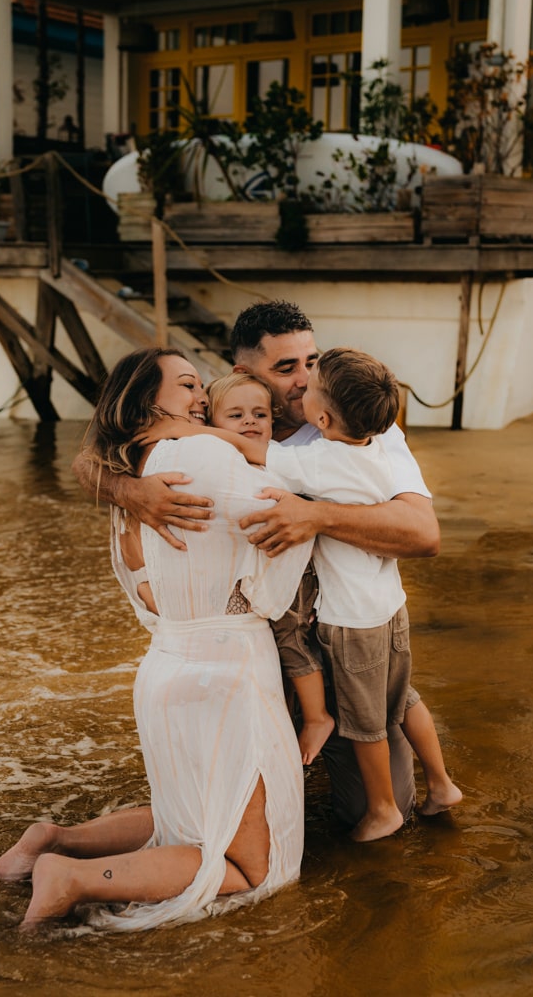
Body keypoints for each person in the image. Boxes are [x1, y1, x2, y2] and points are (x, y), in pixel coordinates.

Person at [71, 300, 440, 828]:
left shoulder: (355, 419)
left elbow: (424, 534)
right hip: (264, 648)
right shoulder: (224, 410)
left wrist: (316, 517)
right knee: (230, 812)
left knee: (381, 809)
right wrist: (128, 489)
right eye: (285, 368)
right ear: (246, 375)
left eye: (311, 362)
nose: (304, 380)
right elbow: (100, 448)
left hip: (346, 640)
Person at [0, 347, 314, 930]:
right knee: (251, 867)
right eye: (188, 386)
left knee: (186, 820)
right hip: (228, 673)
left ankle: (52, 841)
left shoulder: (136, 474)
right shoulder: (200, 453)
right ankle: (73, 877)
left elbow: (149, 595)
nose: (201, 398)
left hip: (166, 663)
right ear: (148, 401)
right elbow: (279, 541)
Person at [151, 348, 463, 842]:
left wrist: (190, 432)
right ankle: (443, 784)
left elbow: (259, 456)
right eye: (286, 369)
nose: (301, 383)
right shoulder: (376, 439)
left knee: (366, 724)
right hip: (391, 608)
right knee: (403, 700)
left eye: (310, 372)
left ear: (322, 416)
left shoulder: (317, 460)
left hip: (350, 619)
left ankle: (383, 809)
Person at [206, 370, 334, 765]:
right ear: (213, 424)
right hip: (272, 571)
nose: (250, 422)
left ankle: (317, 718)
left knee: (290, 639)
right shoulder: (229, 464)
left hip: (293, 572)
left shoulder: (274, 464)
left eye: (259, 415)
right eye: (236, 416)